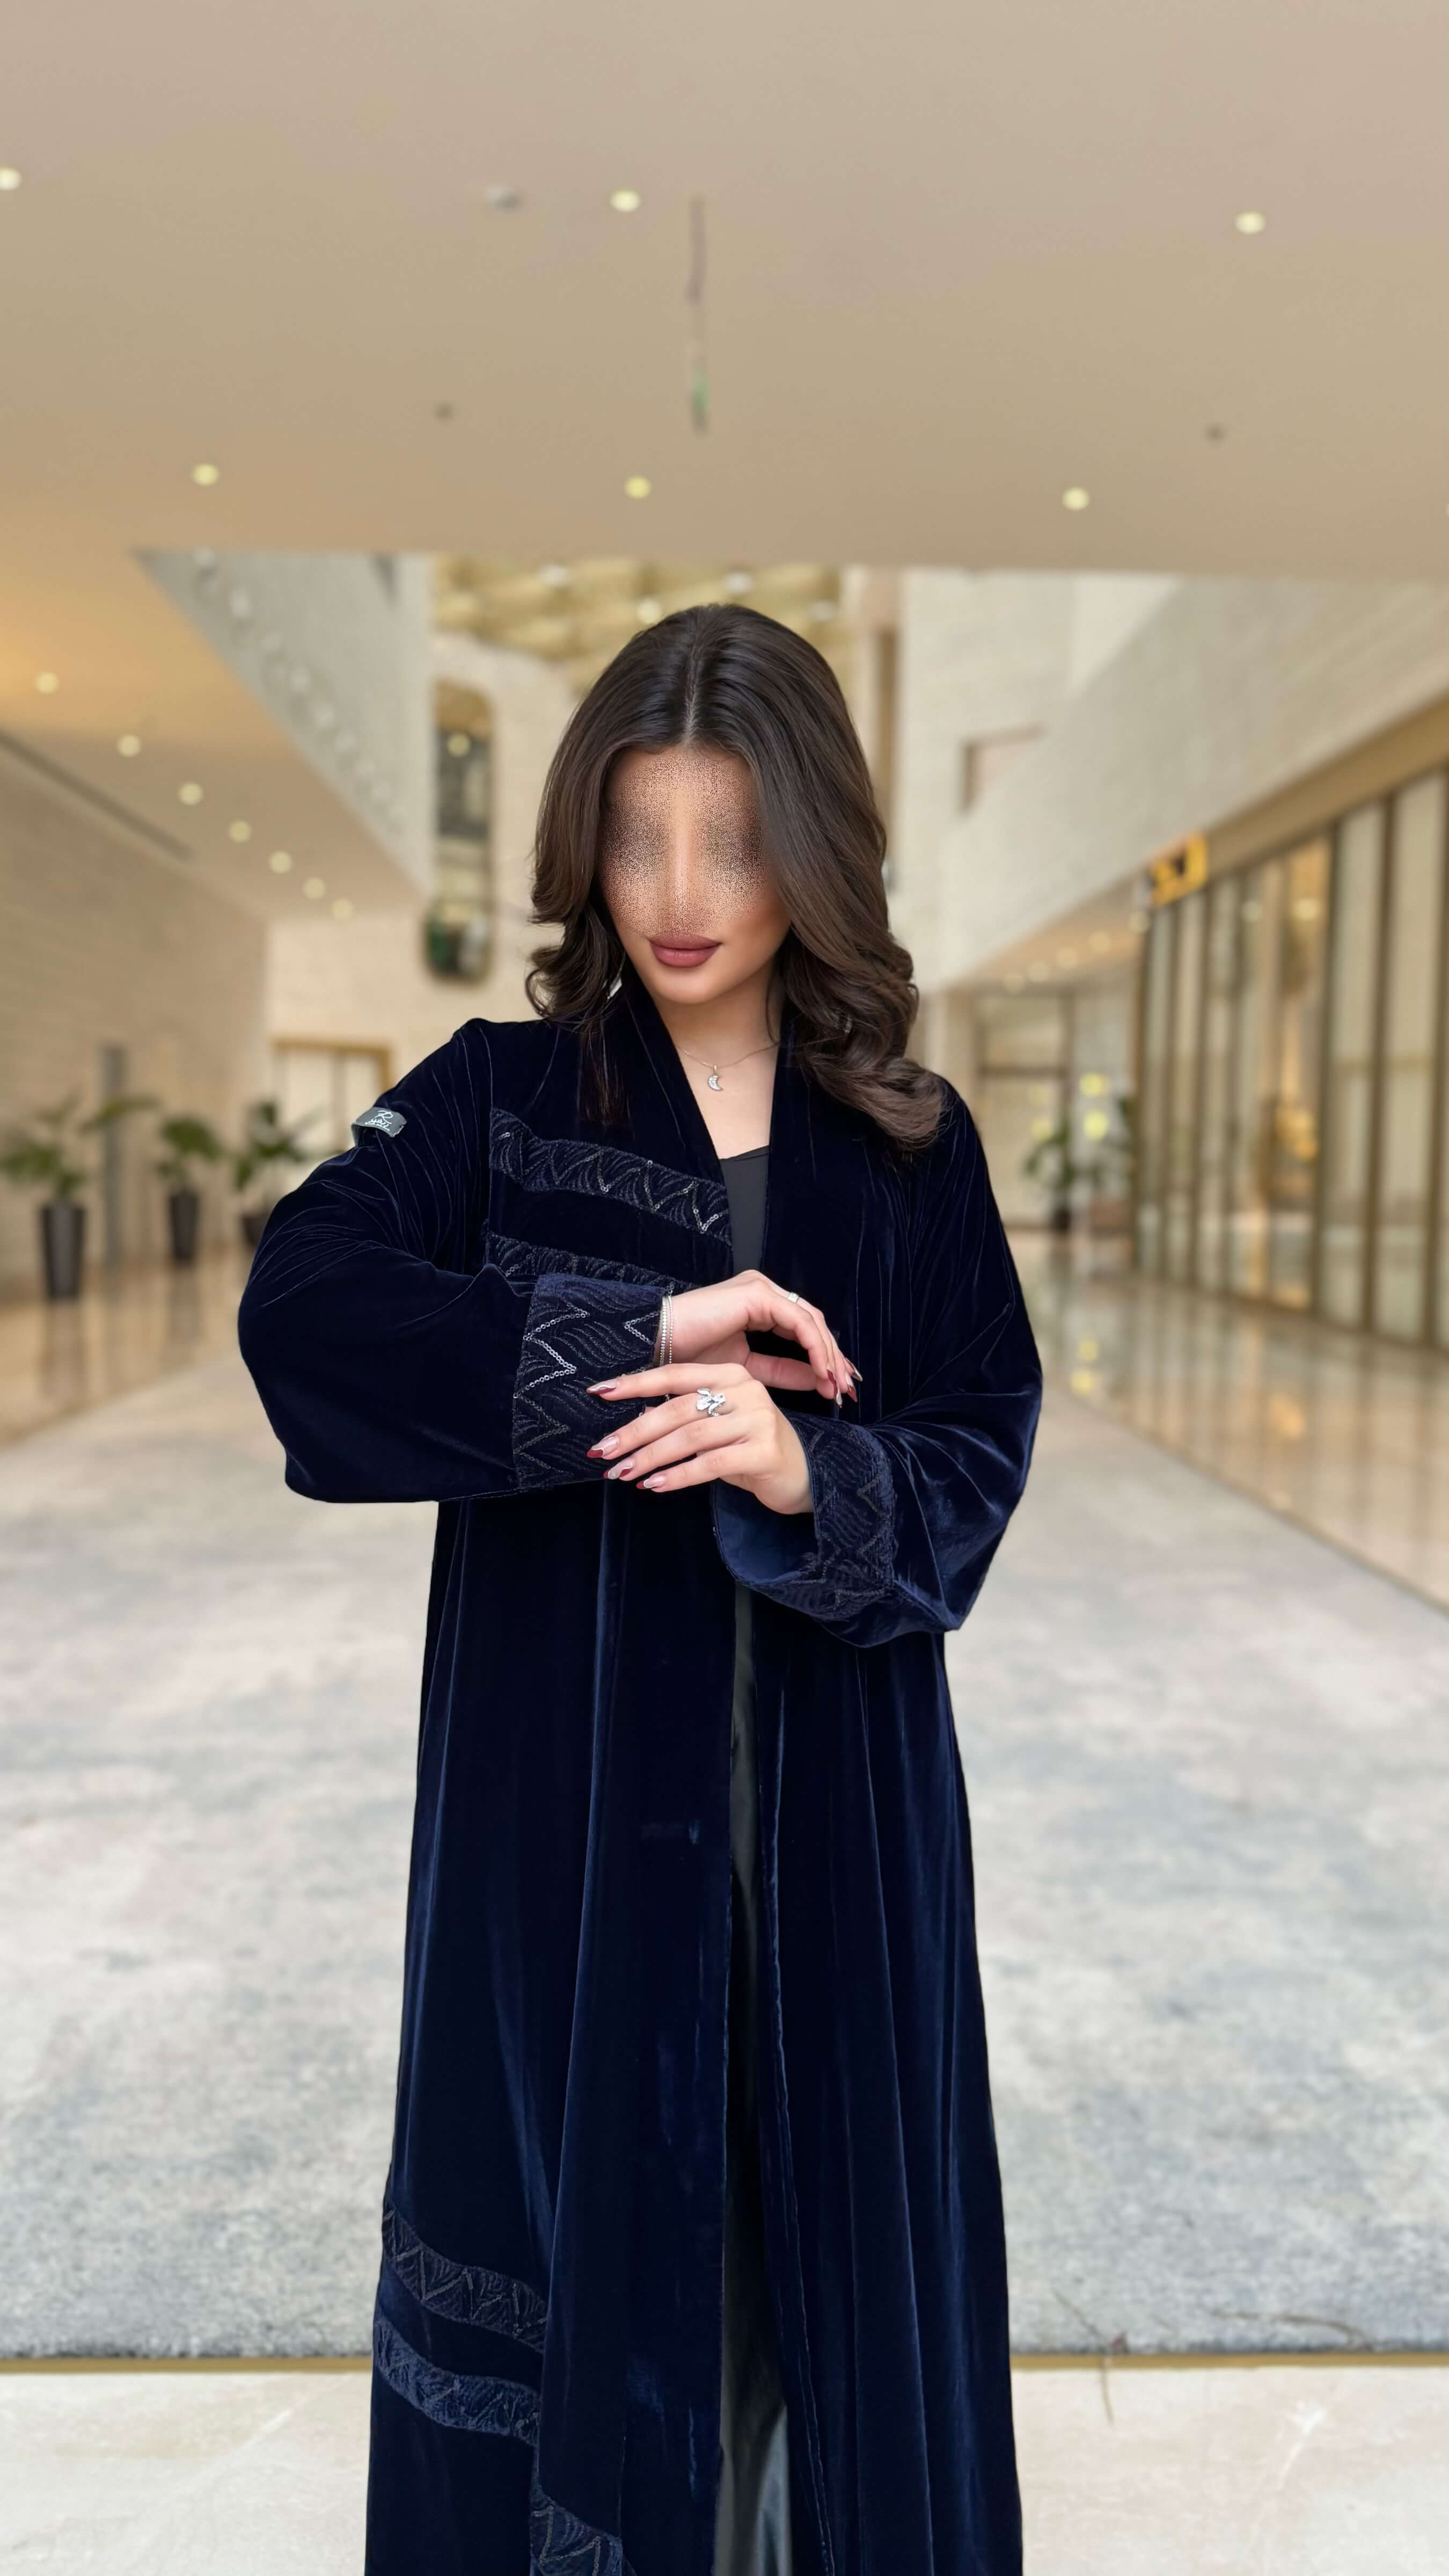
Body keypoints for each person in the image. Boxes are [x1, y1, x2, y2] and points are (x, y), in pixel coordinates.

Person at [238, 603, 1043, 2576]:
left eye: (736, 842)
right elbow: (306, 1309)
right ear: (581, 841)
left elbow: (978, 1441)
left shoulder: (907, 1144)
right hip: (563, 1829)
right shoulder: (501, 1097)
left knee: (815, 2274)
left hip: (836, 1814)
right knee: (584, 2229)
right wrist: (640, 1332)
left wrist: (805, 1466)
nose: (681, 895)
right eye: (637, 835)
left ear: (816, 850)